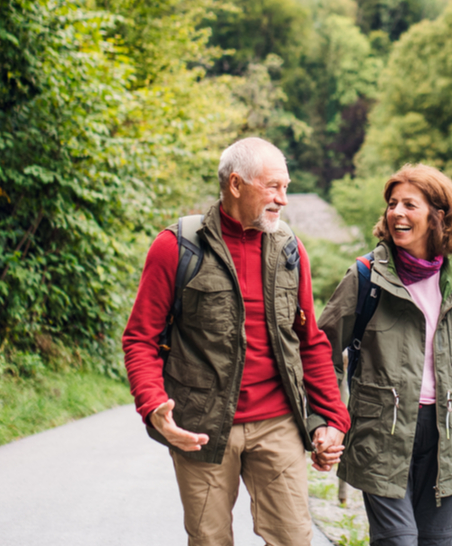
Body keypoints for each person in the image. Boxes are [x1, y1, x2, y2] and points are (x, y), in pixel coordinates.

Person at [122, 137, 349, 546]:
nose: (284, 199)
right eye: (273, 187)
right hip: (203, 427)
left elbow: (310, 341)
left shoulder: (290, 249)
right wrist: (153, 404)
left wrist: (333, 418)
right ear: (236, 184)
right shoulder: (176, 247)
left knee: (295, 539)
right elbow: (141, 338)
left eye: (287, 186)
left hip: (278, 423)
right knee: (209, 540)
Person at [319, 164, 452, 546]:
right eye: (392, 204)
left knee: (435, 543)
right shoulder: (367, 277)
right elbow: (321, 348)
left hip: (447, 439)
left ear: (439, 215)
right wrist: (327, 420)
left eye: (410, 205)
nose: (397, 212)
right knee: (398, 541)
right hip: (381, 433)